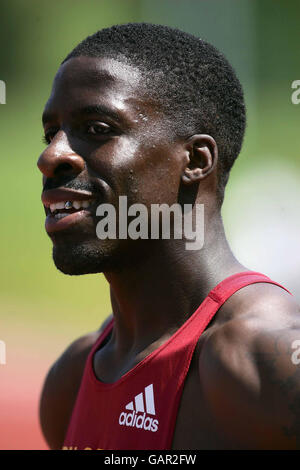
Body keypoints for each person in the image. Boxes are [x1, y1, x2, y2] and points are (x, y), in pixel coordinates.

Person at [37, 23, 300, 450]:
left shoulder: (268, 366)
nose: (50, 156)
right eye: (51, 133)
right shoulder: (71, 380)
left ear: (195, 160)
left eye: (98, 127)